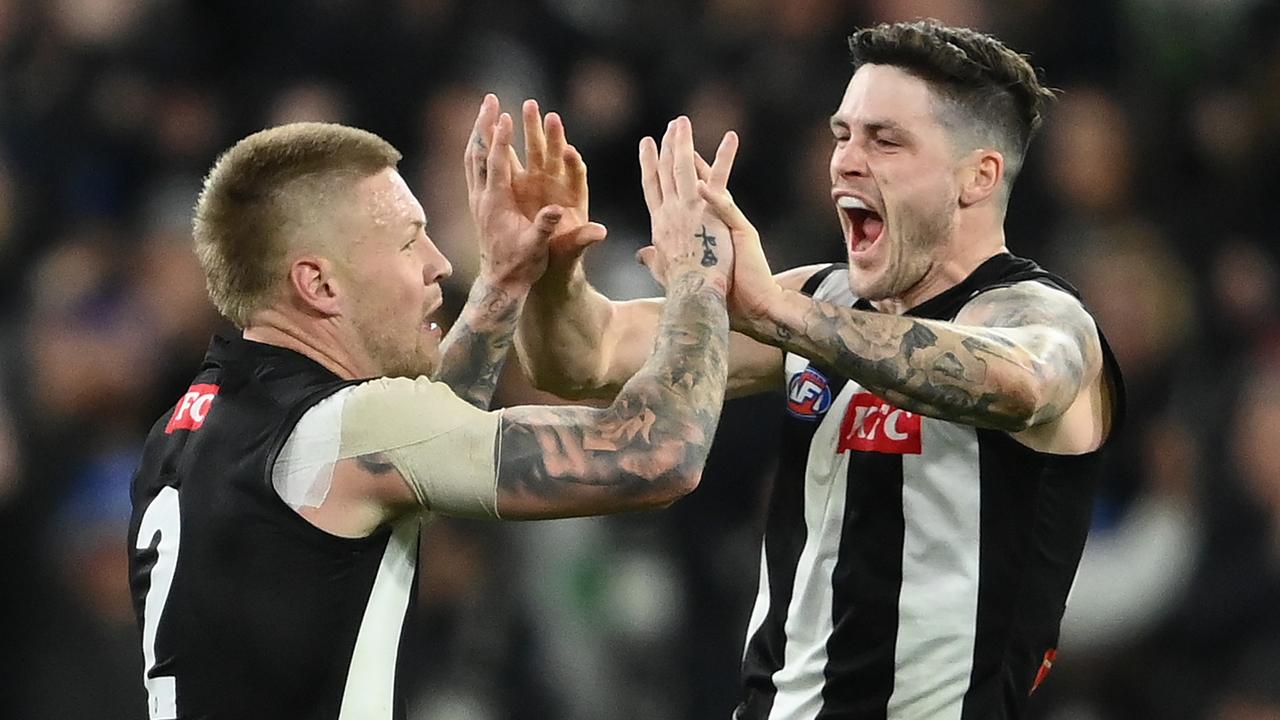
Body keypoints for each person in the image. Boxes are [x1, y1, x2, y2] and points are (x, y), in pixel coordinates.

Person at [515, 19, 1126, 720]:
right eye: (843, 135)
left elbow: (1020, 385)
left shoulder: (1045, 319)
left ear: (977, 177)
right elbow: (586, 359)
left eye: (885, 140)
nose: (846, 161)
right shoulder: (822, 299)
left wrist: (780, 315)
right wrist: (550, 268)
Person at [126, 95, 736, 720]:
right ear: (319, 283)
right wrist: (699, 277)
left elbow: (423, 432)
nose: (440, 264)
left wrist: (503, 281)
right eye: (409, 243)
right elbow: (659, 456)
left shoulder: (182, 429)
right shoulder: (349, 428)